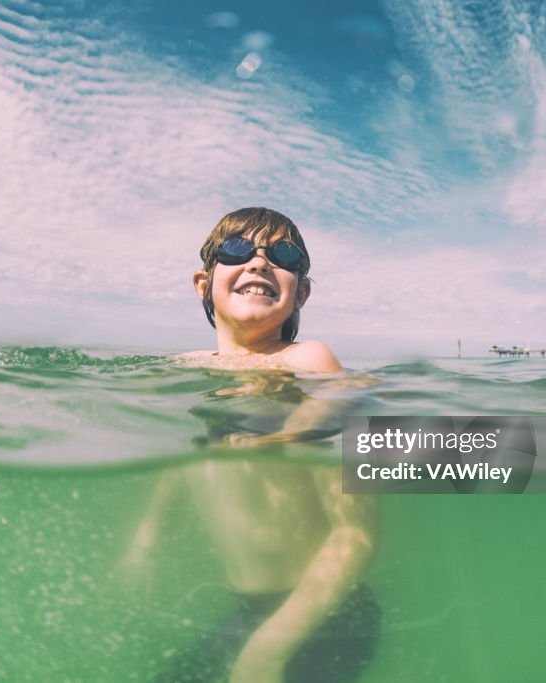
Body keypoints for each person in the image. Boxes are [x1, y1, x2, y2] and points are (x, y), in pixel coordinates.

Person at [122, 208, 379, 683]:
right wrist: (148, 532)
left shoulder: (306, 360)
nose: (260, 263)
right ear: (203, 282)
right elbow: (191, 459)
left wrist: (268, 649)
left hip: (324, 612)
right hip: (249, 609)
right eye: (238, 249)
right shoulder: (188, 367)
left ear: (301, 291)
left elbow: (356, 534)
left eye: (282, 255)